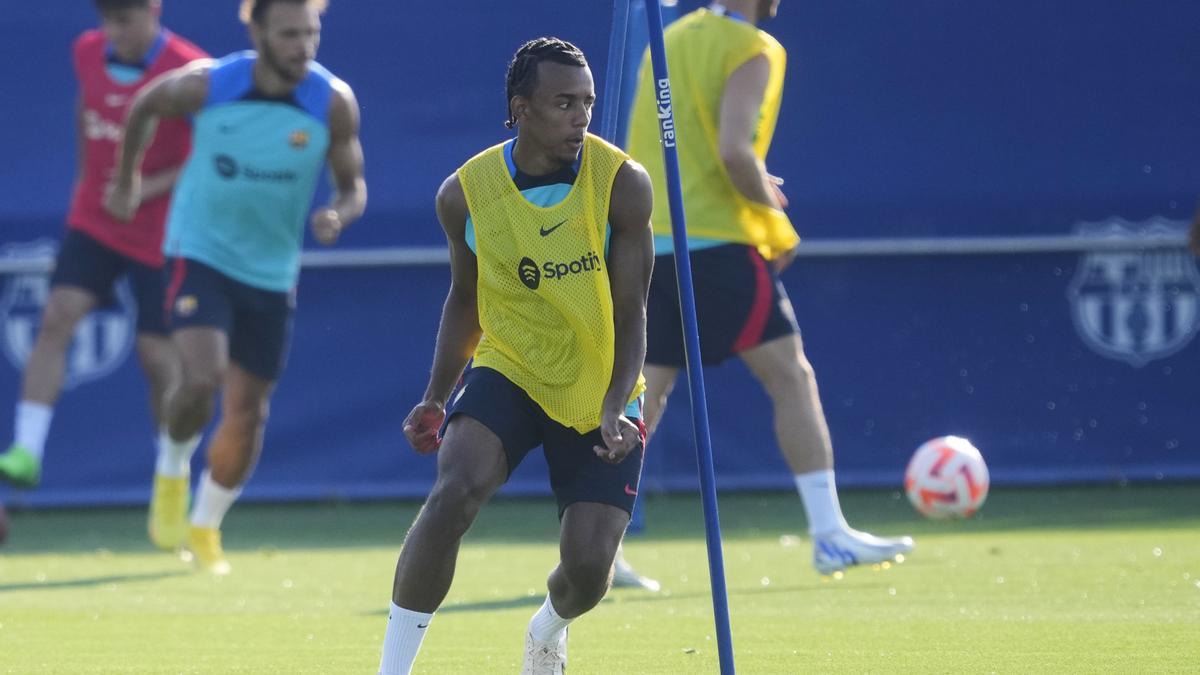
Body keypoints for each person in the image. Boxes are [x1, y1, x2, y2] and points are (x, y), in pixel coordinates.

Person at [377, 38, 654, 675]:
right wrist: (435, 397)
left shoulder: (622, 185)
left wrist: (616, 404)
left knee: (587, 572)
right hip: (513, 367)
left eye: (587, 102)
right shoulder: (465, 194)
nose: (581, 116)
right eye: (563, 103)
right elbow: (466, 297)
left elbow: (634, 310)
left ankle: (547, 628)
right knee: (455, 491)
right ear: (520, 108)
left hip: (599, 380)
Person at [624, 0, 913, 577]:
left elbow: (682, 143)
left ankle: (596, 550)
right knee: (791, 377)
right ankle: (830, 535)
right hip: (716, 244)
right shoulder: (755, 49)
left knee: (642, 401)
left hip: (649, 241)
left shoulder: (671, 37)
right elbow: (735, 153)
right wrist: (778, 227)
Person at [104, 0, 366, 573]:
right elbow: (146, 105)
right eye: (290, 33)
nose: (304, 45)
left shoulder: (332, 101)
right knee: (201, 380)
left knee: (249, 413)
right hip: (201, 251)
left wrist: (337, 215)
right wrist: (127, 181)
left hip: (271, 274)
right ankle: (172, 468)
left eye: (312, 33)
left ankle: (205, 526)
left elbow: (353, 186)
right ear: (258, 31)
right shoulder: (209, 85)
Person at [0, 1, 204, 501]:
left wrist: (142, 186)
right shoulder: (88, 51)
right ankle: (26, 451)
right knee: (57, 316)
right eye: (107, 20)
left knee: (158, 357)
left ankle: (170, 476)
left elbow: (206, 154)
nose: (114, 33)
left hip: (163, 231)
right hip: (95, 220)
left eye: (125, 20)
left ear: (153, 10)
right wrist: (86, 183)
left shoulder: (191, 70)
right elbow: (86, 109)